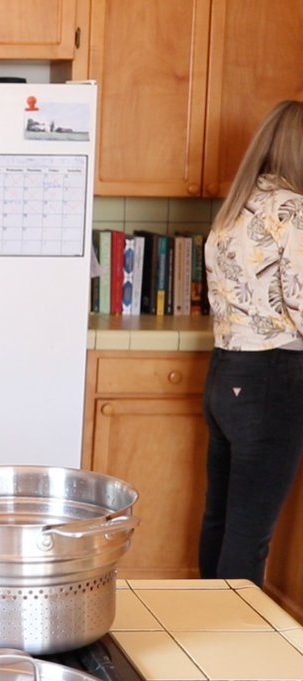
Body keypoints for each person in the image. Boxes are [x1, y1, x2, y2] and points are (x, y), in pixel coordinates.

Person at [199, 100, 303, 585]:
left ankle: (204, 622)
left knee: (221, 519)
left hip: (226, 374)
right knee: (250, 533)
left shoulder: (236, 208)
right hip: (273, 379)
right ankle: (234, 642)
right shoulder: (295, 212)